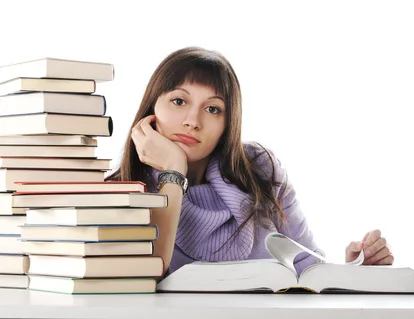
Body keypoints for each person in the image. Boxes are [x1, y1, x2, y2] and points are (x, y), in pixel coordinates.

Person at [107, 47, 394, 277]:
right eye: (179, 101)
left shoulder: (259, 169)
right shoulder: (119, 193)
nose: (193, 121)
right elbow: (146, 276)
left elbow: (309, 272)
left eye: (213, 109)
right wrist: (173, 171)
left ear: (228, 122)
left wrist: (354, 271)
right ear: (151, 107)